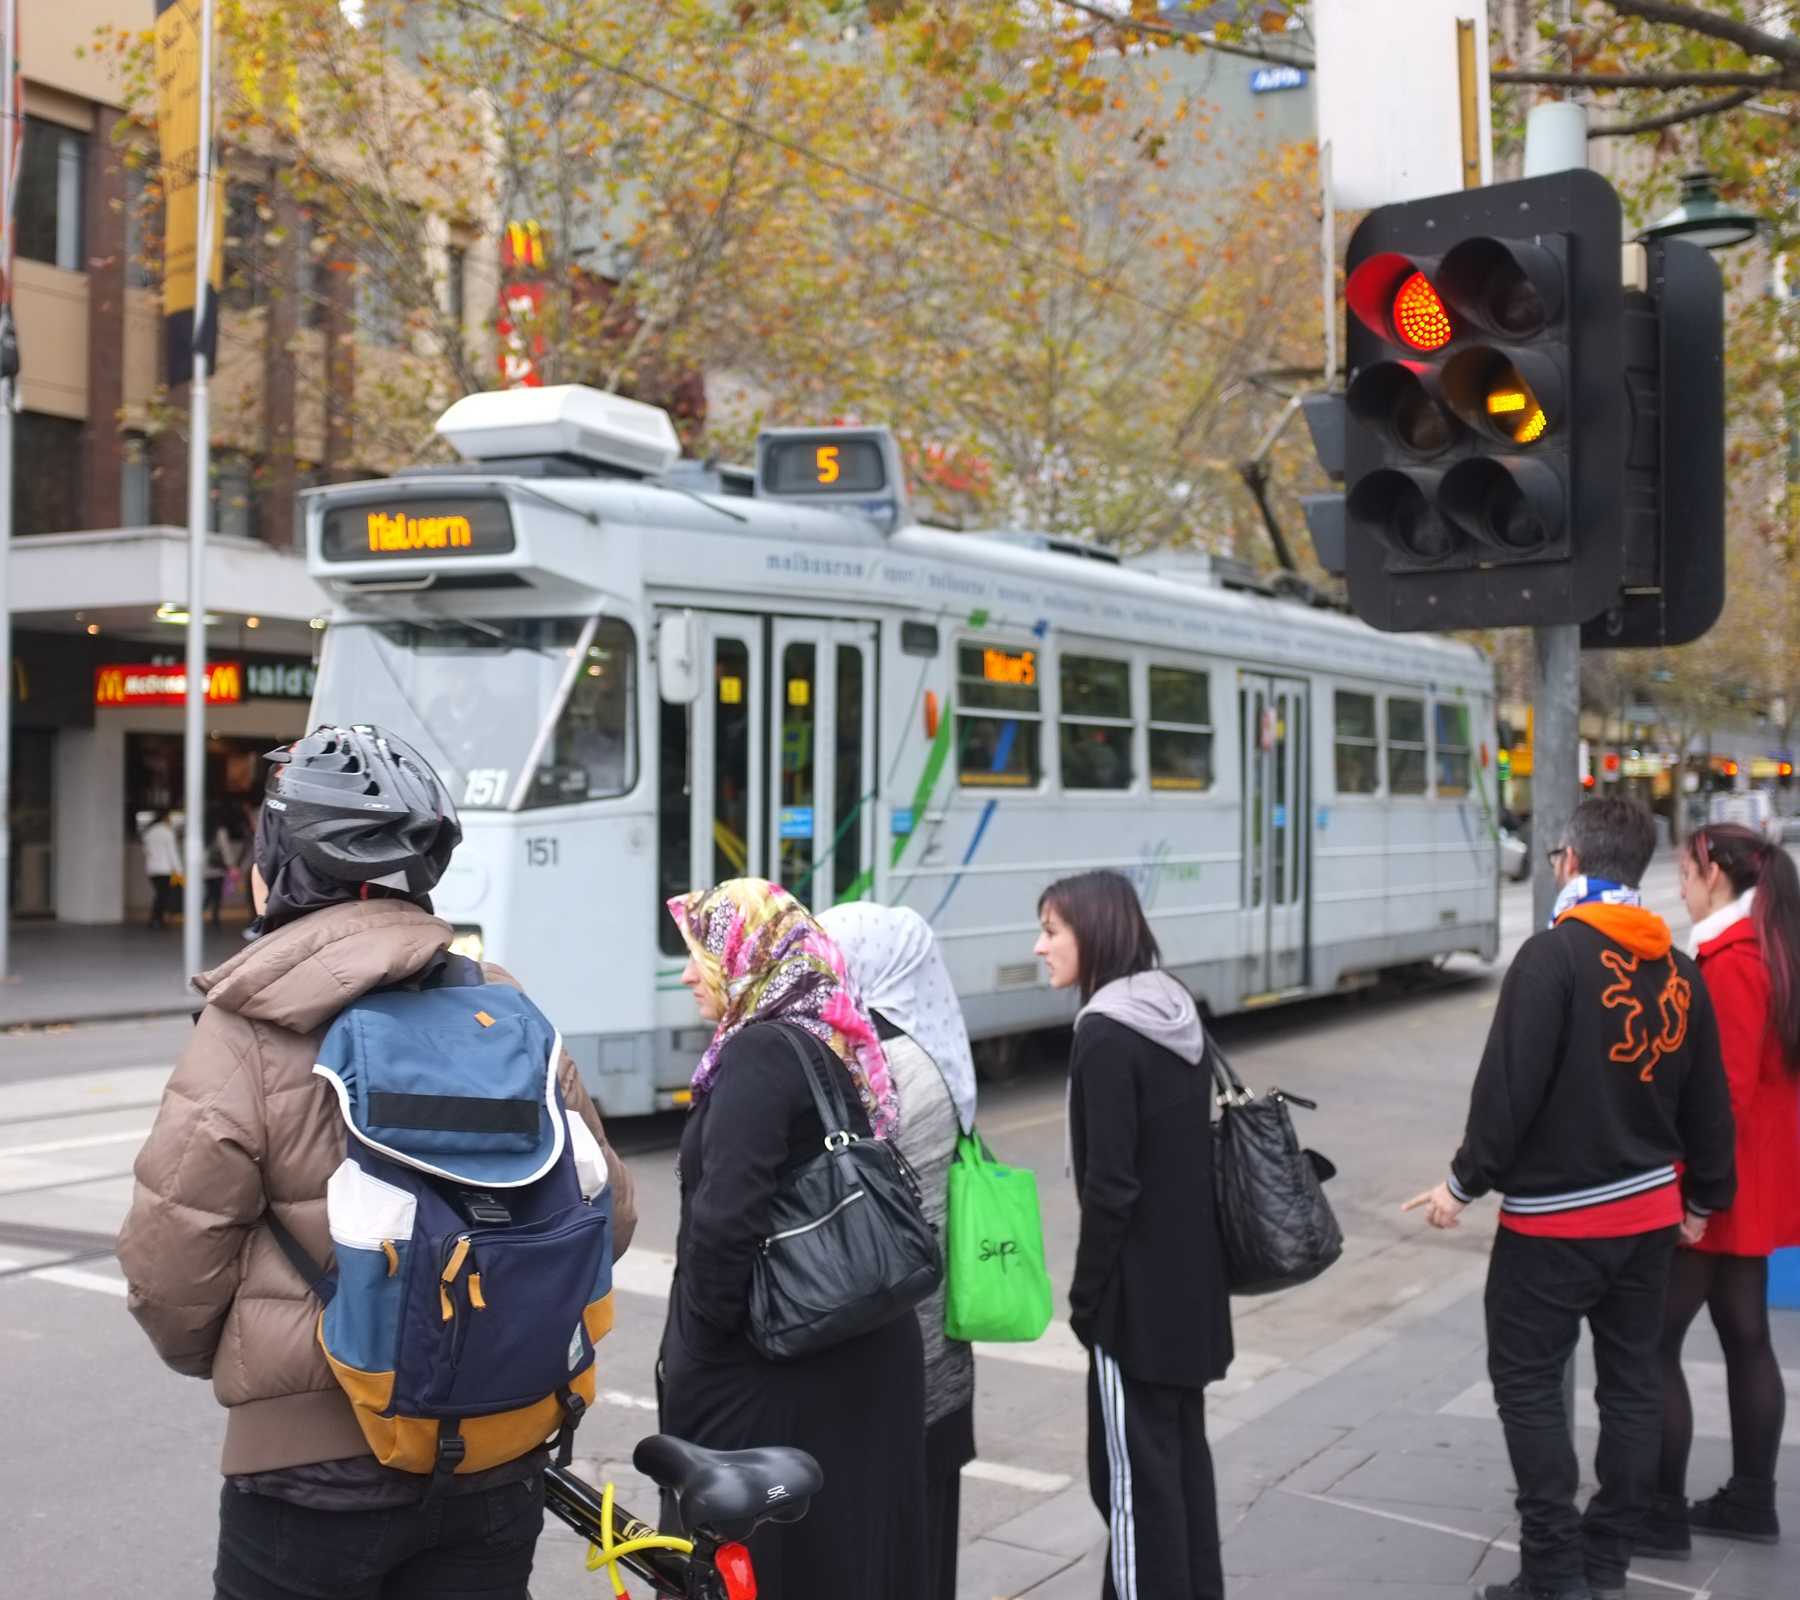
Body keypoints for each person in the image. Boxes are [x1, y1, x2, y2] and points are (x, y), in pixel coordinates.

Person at [117, 725, 638, 1600]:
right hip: (497, 1447)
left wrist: (273, 1370)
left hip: (307, 1476)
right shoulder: (502, 1003)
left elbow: (169, 1262)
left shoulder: (246, 1028)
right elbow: (611, 1217)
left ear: (280, 866)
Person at [1403, 797, 1736, 1600]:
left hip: (1555, 1227)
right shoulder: (1680, 971)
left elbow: (1506, 1095)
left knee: (1525, 1382)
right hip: (1650, 1223)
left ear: (1569, 863)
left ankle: (1553, 1569)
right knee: (1631, 1386)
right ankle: (1603, 1561)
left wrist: (1461, 1184)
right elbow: (1709, 1104)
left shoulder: (1551, 960)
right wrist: (1705, 1199)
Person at [663, 878, 926, 1600]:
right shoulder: (824, 1042)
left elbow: (726, 1222)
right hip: (857, 1360)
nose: (687, 972)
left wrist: (702, 1354)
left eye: (702, 953)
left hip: (783, 1375)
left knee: (776, 1570)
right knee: (843, 1560)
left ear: (750, 957)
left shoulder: (758, 1054)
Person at [1034, 869, 1233, 1600]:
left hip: (1137, 1310)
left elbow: (1111, 1191)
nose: (1040, 946)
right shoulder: (1175, 1009)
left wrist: (1089, 1304)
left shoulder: (1106, 1033)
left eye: (1053, 931)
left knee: (1128, 1489)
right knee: (1180, 1472)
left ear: (1097, 933)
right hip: (1194, 1295)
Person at [1644, 823, 1800, 1553]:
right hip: (1756, 1174)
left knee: (1652, 1343)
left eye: (1683, 871)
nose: (1678, 885)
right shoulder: (1767, 950)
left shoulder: (1732, 963)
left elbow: (1722, 1095)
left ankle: (1661, 1514)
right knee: (1745, 1336)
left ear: (1715, 876)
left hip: (1722, 1180)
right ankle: (1750, 1500)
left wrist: (1693, 1198)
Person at [820, 902, 978, 1600]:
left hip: (899, 1355)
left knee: (897, 1554)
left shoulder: (888, 1069)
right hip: (939, 1346)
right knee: (929, 1540)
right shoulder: (935, 1050)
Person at [141, 808, 180, 929]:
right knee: (162, 895)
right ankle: (156, 919)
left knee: (160, 894)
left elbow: (145, 851)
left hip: (152, 869)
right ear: (165, 818)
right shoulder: (167, 832)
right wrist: (179, 870)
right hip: (164, 869)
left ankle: (157, 919)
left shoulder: (148, 832)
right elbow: (172, 853)